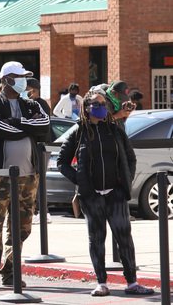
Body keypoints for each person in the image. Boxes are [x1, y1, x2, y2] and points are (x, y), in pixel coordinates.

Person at [57, 91, 154, 297]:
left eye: (104, 103)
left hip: (115, 193)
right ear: (87, 107)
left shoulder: (115, 130)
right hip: (91, 196)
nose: (101, 107)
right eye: (96, 103)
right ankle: (101, 282)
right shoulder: (79, 132)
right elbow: (61, 162)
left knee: (124, 237)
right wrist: (80, 181)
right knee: (96, 238)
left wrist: (124, 183)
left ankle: (132, 282)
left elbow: (130, 158)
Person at [0, 61, 50, 290]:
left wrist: (18, 123)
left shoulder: (31, 104)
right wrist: (27, 128)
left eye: (25, 77)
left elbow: (45, 125)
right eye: (19, 77)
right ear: (7, 79)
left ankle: (12, 272)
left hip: (28, 177)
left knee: (21, 228)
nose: (23, 81)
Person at [26, 77, 52, 225]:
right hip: (35, 145)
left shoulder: (40, 104)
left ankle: (43, 212)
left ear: (33, 91)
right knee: (34, 179)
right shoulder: (32, 103)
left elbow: (40, 124)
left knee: (38, 180)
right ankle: (37, 211)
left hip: (41, 147)